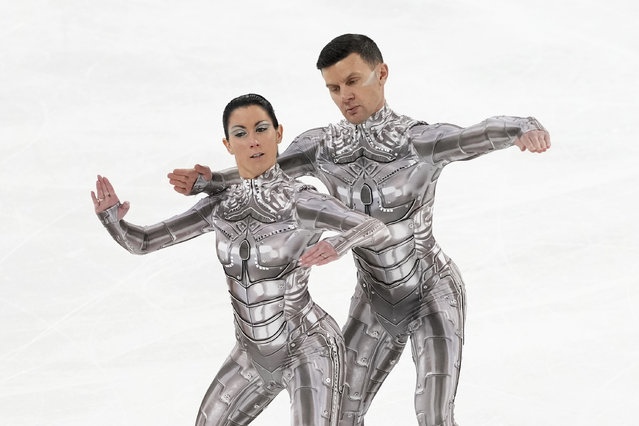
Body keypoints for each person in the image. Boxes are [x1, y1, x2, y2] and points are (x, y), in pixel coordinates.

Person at [168, 34, 551, 426]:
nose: (344, 96)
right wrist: (212, 180)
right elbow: (264, 172)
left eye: (353, 82)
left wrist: (523, 126)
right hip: (374, 299)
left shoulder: (417, 142)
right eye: (334, 88)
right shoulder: (323, 148)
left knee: (434, 415)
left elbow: (474, 135)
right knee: (343, 416)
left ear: (381, 74)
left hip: (431, 290)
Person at [92, 93, 390, 426]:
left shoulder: (301, 201)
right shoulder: (220, 206)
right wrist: (112, 220)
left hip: (309, 346)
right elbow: (143, 242)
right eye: (240, 134)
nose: (253, 141)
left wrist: (340, 243)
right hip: (251, 353)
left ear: (278, 133)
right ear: (227, 144)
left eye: (261, 129)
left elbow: (374, 227)